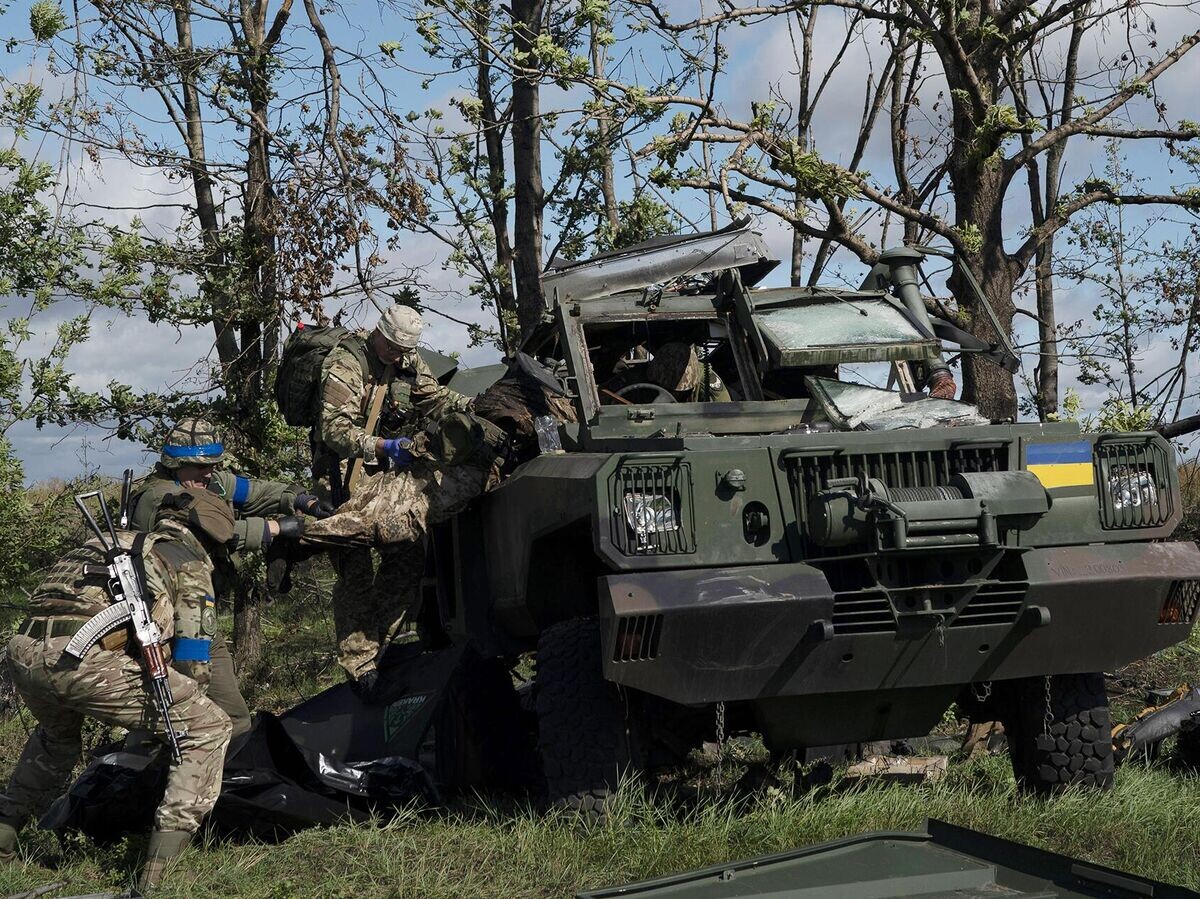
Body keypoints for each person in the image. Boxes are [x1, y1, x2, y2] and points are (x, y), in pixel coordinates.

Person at [0, 491, 236, 892]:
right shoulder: (187, 560)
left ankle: (3, 839)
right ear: (212, 536)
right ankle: (162, 873)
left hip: (24, 651)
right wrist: (174, 716)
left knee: (56, 743)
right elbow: (194, 659)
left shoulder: (112, 542)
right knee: (208, 726)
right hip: (83, 659)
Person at [129, 417, 328, 739]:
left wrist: (302, 499)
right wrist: (272, 529)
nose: (208, 472)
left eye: (214, 464)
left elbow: (257, 492)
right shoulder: (159, 495)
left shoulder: (209, 482)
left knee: (234, 719)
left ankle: (224, 785)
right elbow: (214, 529)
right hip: (164, 624)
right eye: (199, 466)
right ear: (175, 464)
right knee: (165, 725)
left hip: (201, 619)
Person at [315, 304, 472, 689]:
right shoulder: (346, 364)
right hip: (341, 474)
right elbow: (333, 431)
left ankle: (376, 647)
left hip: (385, 478)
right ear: (379, 332)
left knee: (406, 558)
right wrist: (384, 446)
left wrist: (473, 406)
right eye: (391, 346)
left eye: (403, 349)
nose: (396, 355)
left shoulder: (408, 360)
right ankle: (359, 668)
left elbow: (433, 398)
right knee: (355, 572)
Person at [646, 341, 731, 402]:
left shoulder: (708, 386)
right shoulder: (655, 372)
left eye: (676, 392)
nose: (672, 394)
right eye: (667, 388)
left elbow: (726, 419)